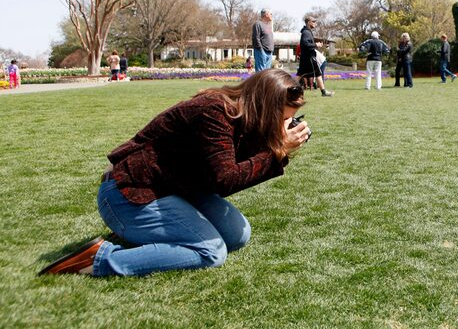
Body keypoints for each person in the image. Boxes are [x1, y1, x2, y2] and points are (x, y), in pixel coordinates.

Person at [38, 69, 312, 277]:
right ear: (264, 107)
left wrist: (277, 148)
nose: (286, 123)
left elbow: (228, 171)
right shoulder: (215, 111)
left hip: (174, 189)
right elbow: (225, 180)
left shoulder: (240, 118)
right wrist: (276, 151)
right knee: (211, 251)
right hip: (130, 193)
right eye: (283, 116)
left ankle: (146, 235)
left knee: (237, 235)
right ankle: (99, 259)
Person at [298, 15, 333, 96]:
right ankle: (324, 92)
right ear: (308, 22)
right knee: (317, 73)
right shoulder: (306, 32)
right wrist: (316, 45)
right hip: (309, 57)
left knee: (300, 75)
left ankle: (288, 90)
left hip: (306, 57)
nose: (315, 23)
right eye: (313, 22)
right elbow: (305, 43)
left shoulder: (306, 31)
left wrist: (315, 45)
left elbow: (306, 44)